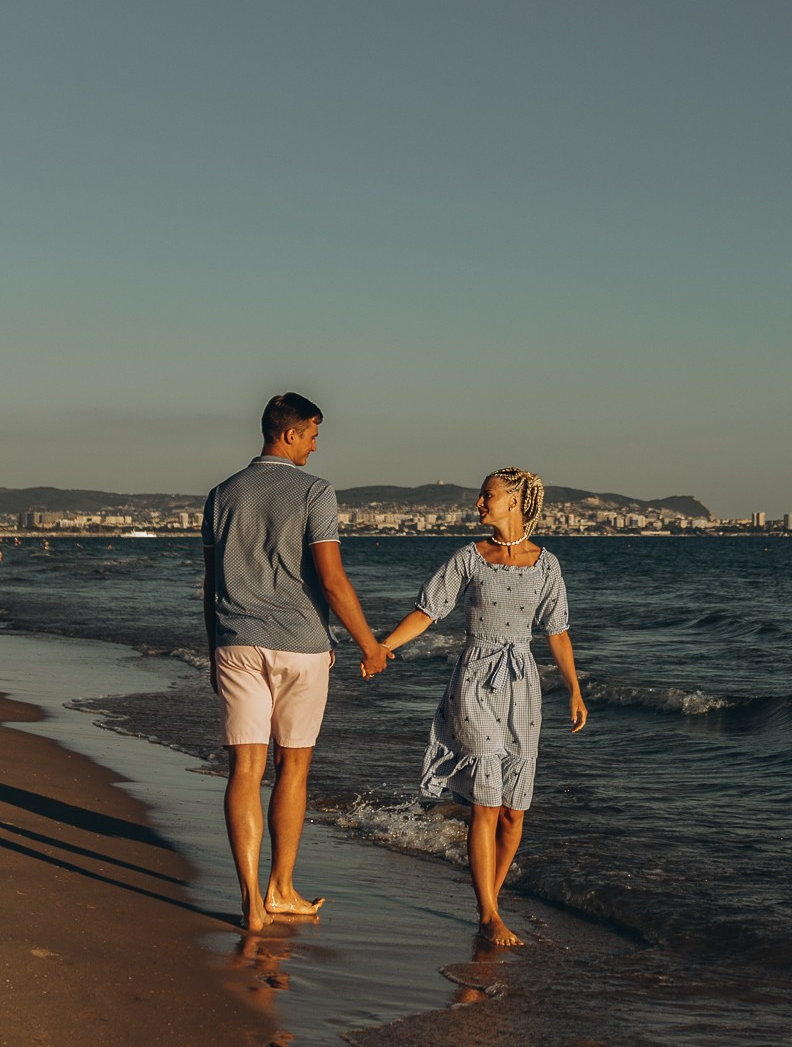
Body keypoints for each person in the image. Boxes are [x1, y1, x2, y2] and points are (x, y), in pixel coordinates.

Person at [375, 468, 587, 947]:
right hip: (473, 681)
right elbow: (428, 611)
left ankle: (491, 900)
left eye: (487, 495)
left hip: (522, 685)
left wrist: (574, 689)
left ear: (514, 501)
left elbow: (558, 632)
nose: (479, 503)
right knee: (487, 801)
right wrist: (384, 647)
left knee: (515, 811)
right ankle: (488, 914)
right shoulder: (469, 558)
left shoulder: (546, 565)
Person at [202, 393, 391, 931]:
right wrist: (370, 645)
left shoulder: (221, 494)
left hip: (235, 643)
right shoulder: (314, 491)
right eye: (311, 435)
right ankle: (280, 888)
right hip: (301, 647)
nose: (314, 446)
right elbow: (332, 580)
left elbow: (210, 585)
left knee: (245, 769)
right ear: (289, 434)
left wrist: (215, 649)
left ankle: (251, 902)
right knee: (294, 766)